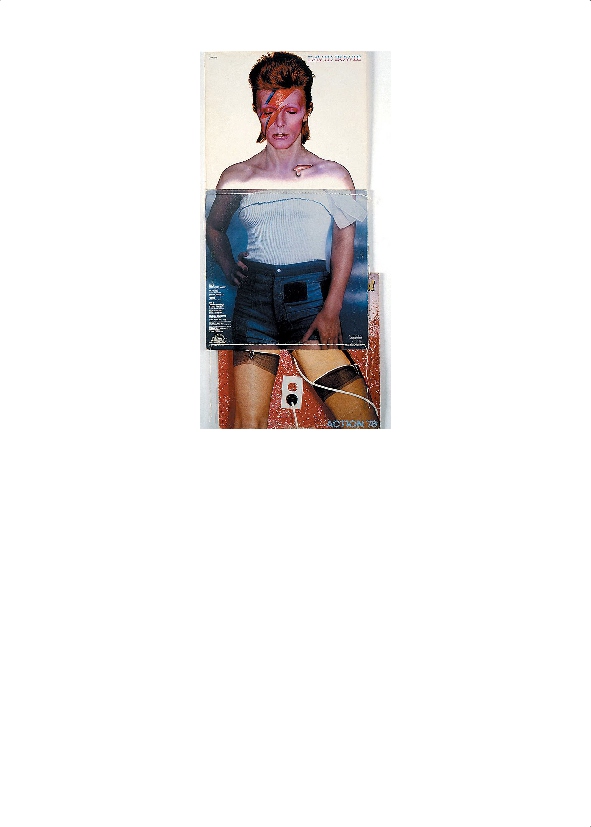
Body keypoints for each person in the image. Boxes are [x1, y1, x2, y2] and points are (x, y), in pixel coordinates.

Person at [206, 51, 378, 429]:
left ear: (307, 111)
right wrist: (228, 264)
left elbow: (344, 241)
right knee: (246, 426)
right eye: (268, 110)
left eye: (291, 111)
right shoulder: (236, 177)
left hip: (309, 303)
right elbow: (214, 228)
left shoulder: (332, 174)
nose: (279, 123)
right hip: (253, 305)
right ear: (257, 110)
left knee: (360, 417)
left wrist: (331, 309)